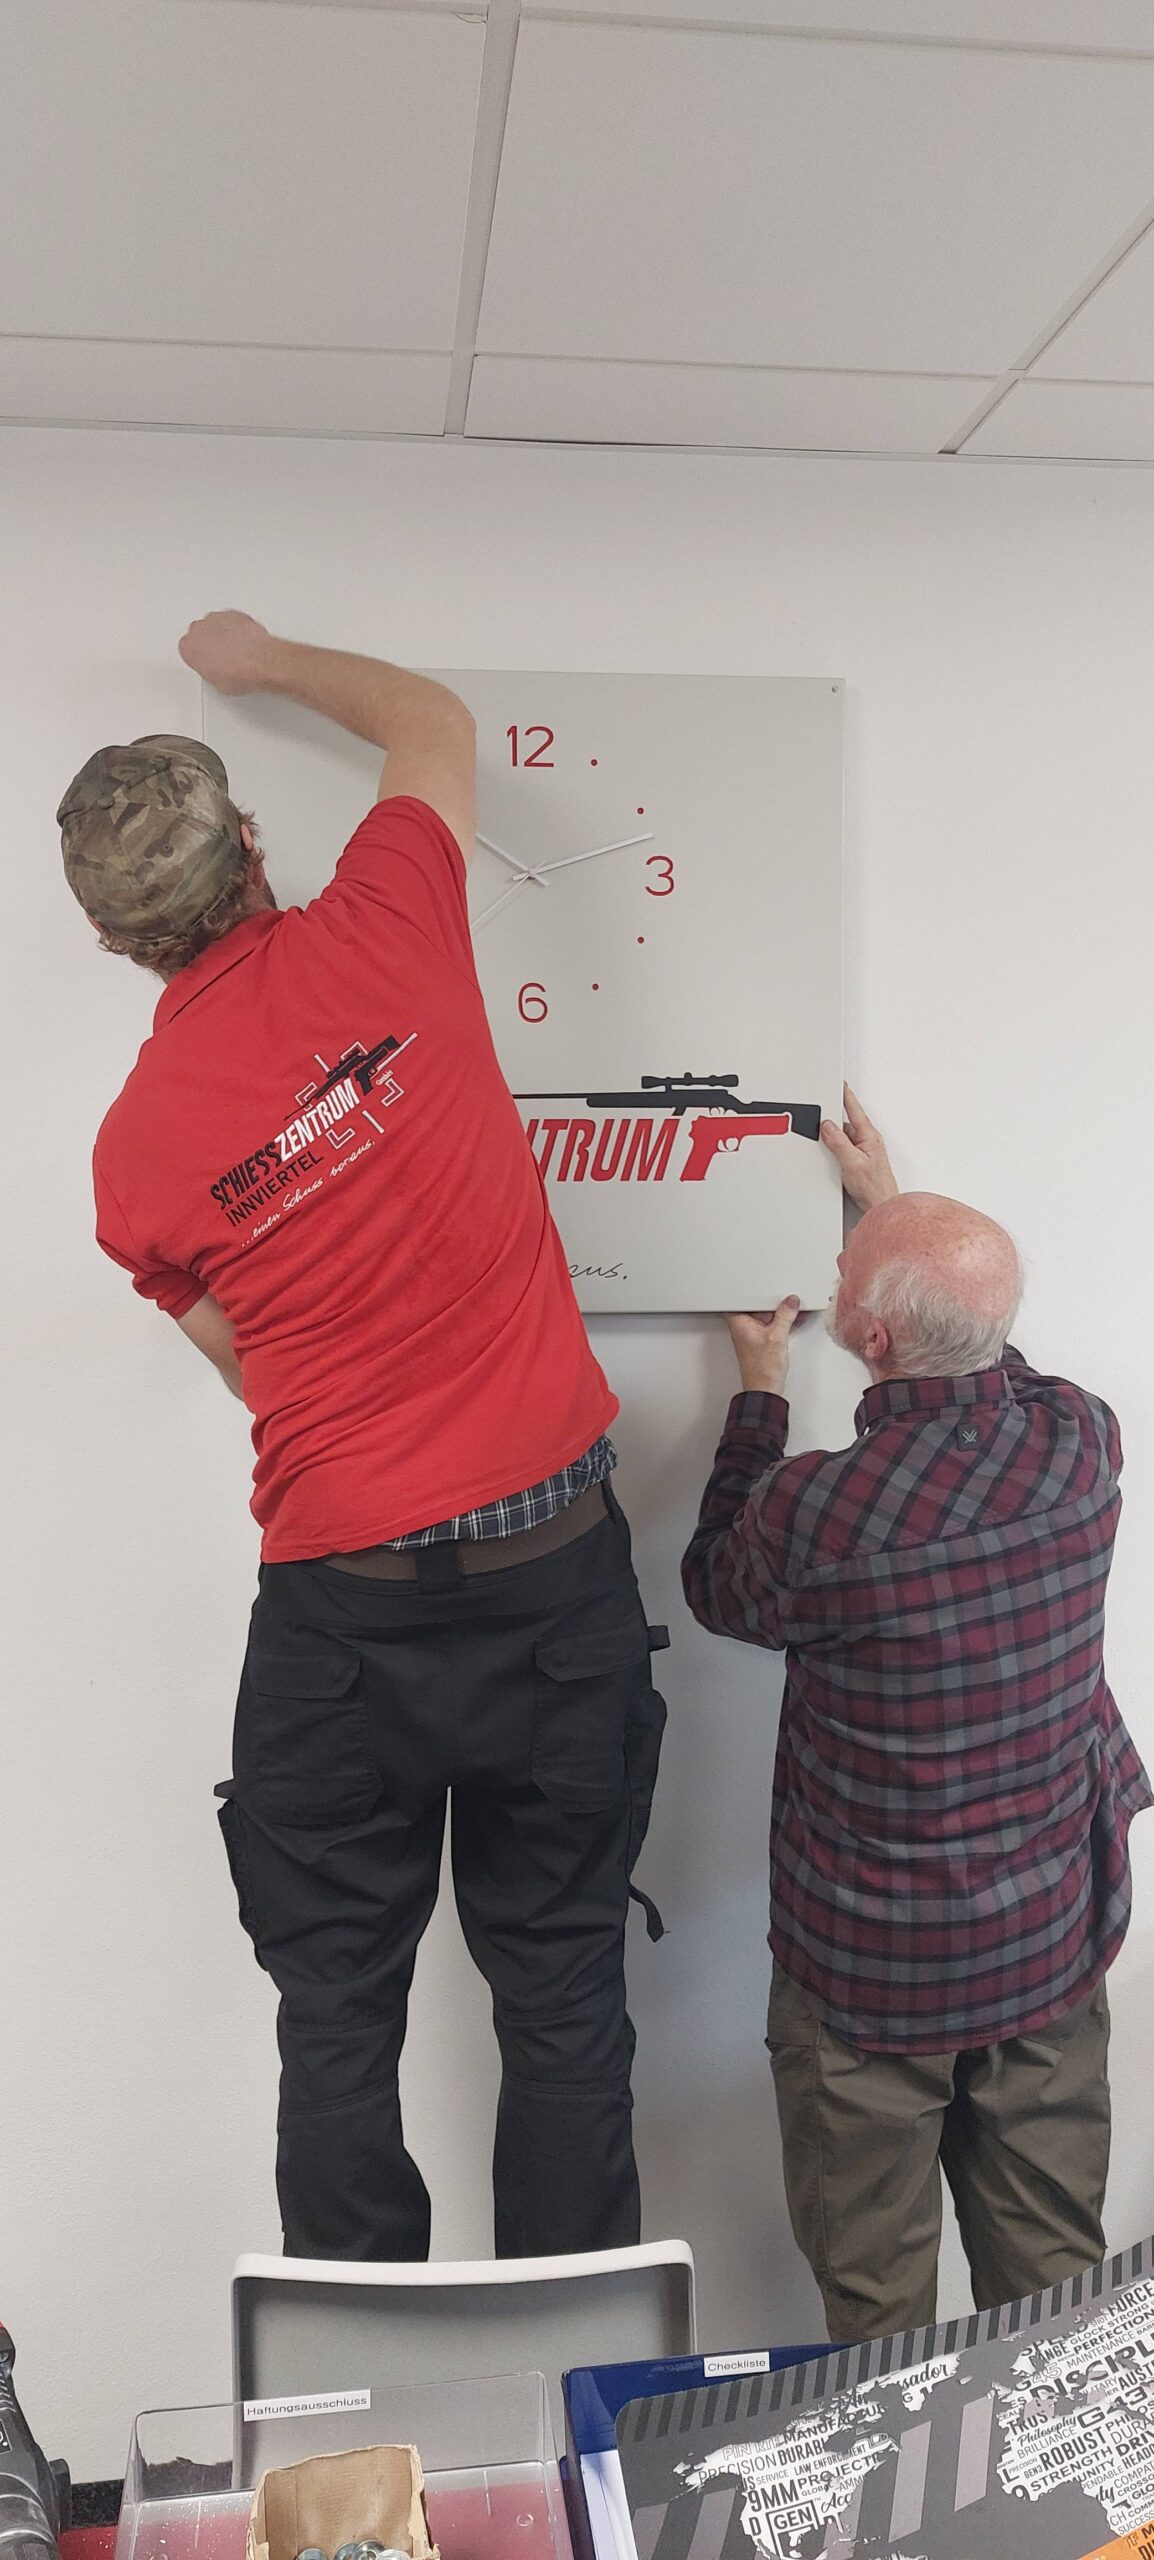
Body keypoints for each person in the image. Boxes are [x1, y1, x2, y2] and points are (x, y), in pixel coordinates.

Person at [59, 611, 668, 2263]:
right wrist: (254, 657)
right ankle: (577, 2383)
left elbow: (253, 1371)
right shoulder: (389, 918)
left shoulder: (135, 1156)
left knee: (335, 2017)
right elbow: (430, 718)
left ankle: (356, 2400)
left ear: (116, 941)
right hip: (551, 1580)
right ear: (254, 846)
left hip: (344, 1619)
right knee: (560, 1992)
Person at [682, 1089, 1150, 2343]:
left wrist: (759, 1393)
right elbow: (988, 1354)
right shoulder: (1078, 1442)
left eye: (849, 1273)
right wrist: (889, 1210)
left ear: (869, 1336)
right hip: (1042, 1950)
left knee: (880, 2330)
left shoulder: (817, 1515)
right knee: (1052, 2311)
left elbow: (715, 1583)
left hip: (868, 1987)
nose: (833, 1272)